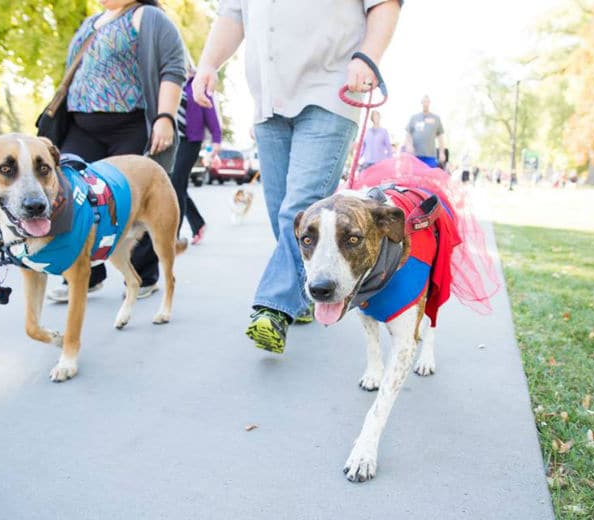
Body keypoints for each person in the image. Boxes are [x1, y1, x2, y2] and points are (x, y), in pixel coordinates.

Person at [193, 0, 401, 353]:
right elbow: (232, 15)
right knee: (287, 219)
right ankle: (307, 294)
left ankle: (273, 308)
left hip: (330, 91)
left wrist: (368, 55)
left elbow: (384, 3)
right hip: (268, 101)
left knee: (300, 208)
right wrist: (208, 64)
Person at [46, 0, 186, 303]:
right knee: (70, 197)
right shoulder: (92, 22)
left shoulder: (147, 16)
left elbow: (173, 67)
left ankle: (144, 275)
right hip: (81, 125)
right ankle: (84, 274)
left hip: (130, 124)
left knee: (132, 200)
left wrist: (165, 118)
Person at [172, 73, 222, 245]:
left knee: (176, 184)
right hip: (172, 142)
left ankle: (174, 235)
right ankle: (197, 224)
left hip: (190, 141)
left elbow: (210, 112)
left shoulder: (197, 84)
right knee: (177, 186)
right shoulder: (170, 81)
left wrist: (217, 140)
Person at [404, 95, 445, 168]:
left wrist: (442, 152)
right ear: (421, 103)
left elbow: (440, 137)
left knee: (429, 177)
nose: (425, 104)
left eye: (427, 102)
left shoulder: (436, 118)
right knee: (416, 177)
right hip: (416, 155)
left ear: (429, 103)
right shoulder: (414, 118)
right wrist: (408, 145)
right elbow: (408, 134)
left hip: (430, 155)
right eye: (424, 102)